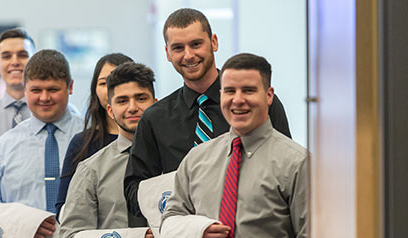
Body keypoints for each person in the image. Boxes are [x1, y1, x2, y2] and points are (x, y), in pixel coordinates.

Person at [123, 8, 292, 222]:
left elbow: (285, 168)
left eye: (196, 44)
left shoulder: (257, 104)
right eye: (178, 48)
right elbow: (134, 191)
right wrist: (181, 214)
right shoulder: (154, 119)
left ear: (214, 42)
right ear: (167, 53)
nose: (188, 55)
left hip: (255, 231)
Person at [161, 53, 307, 238]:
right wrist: (196, 234)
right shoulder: (196, 159)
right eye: (230, 91)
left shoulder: (298, 163)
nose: (238, 100)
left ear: (269, 95)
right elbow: (170, 219)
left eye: (248, 90)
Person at [0, 49, 84, 238]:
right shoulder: (4, 147)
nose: (44, 98)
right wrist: (21, 223)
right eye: (36, 90)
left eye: (53, 89)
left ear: (70, 87)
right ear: (25, 89)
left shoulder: (93, 138)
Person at [59, 62, 157, 238]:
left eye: (141, 98)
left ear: (155, 103)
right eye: (122, 101)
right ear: (110, 111)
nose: (132, 107)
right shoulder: (90, 170)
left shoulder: (178, 160)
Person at [54, 53, 133, 216]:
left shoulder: (155, 140)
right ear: (95, 89)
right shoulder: (81, 144)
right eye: (104, 83)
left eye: (120, 81)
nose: (111, 89)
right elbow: (63, 207)